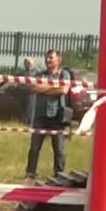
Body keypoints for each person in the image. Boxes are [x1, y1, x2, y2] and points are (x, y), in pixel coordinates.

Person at [27, 49, 74, 178]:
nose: (47, 60)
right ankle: (30, 172)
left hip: (57, 116)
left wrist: (44, 89)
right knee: (34, 147)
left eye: (50, 58)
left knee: (59, 149)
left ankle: (59, 174)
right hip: (40, 116)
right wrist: (53, 88)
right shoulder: (40, 74)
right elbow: (34, 87)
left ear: (58, 60)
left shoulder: (64, 74)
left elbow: (63, 90)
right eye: (46, 58)